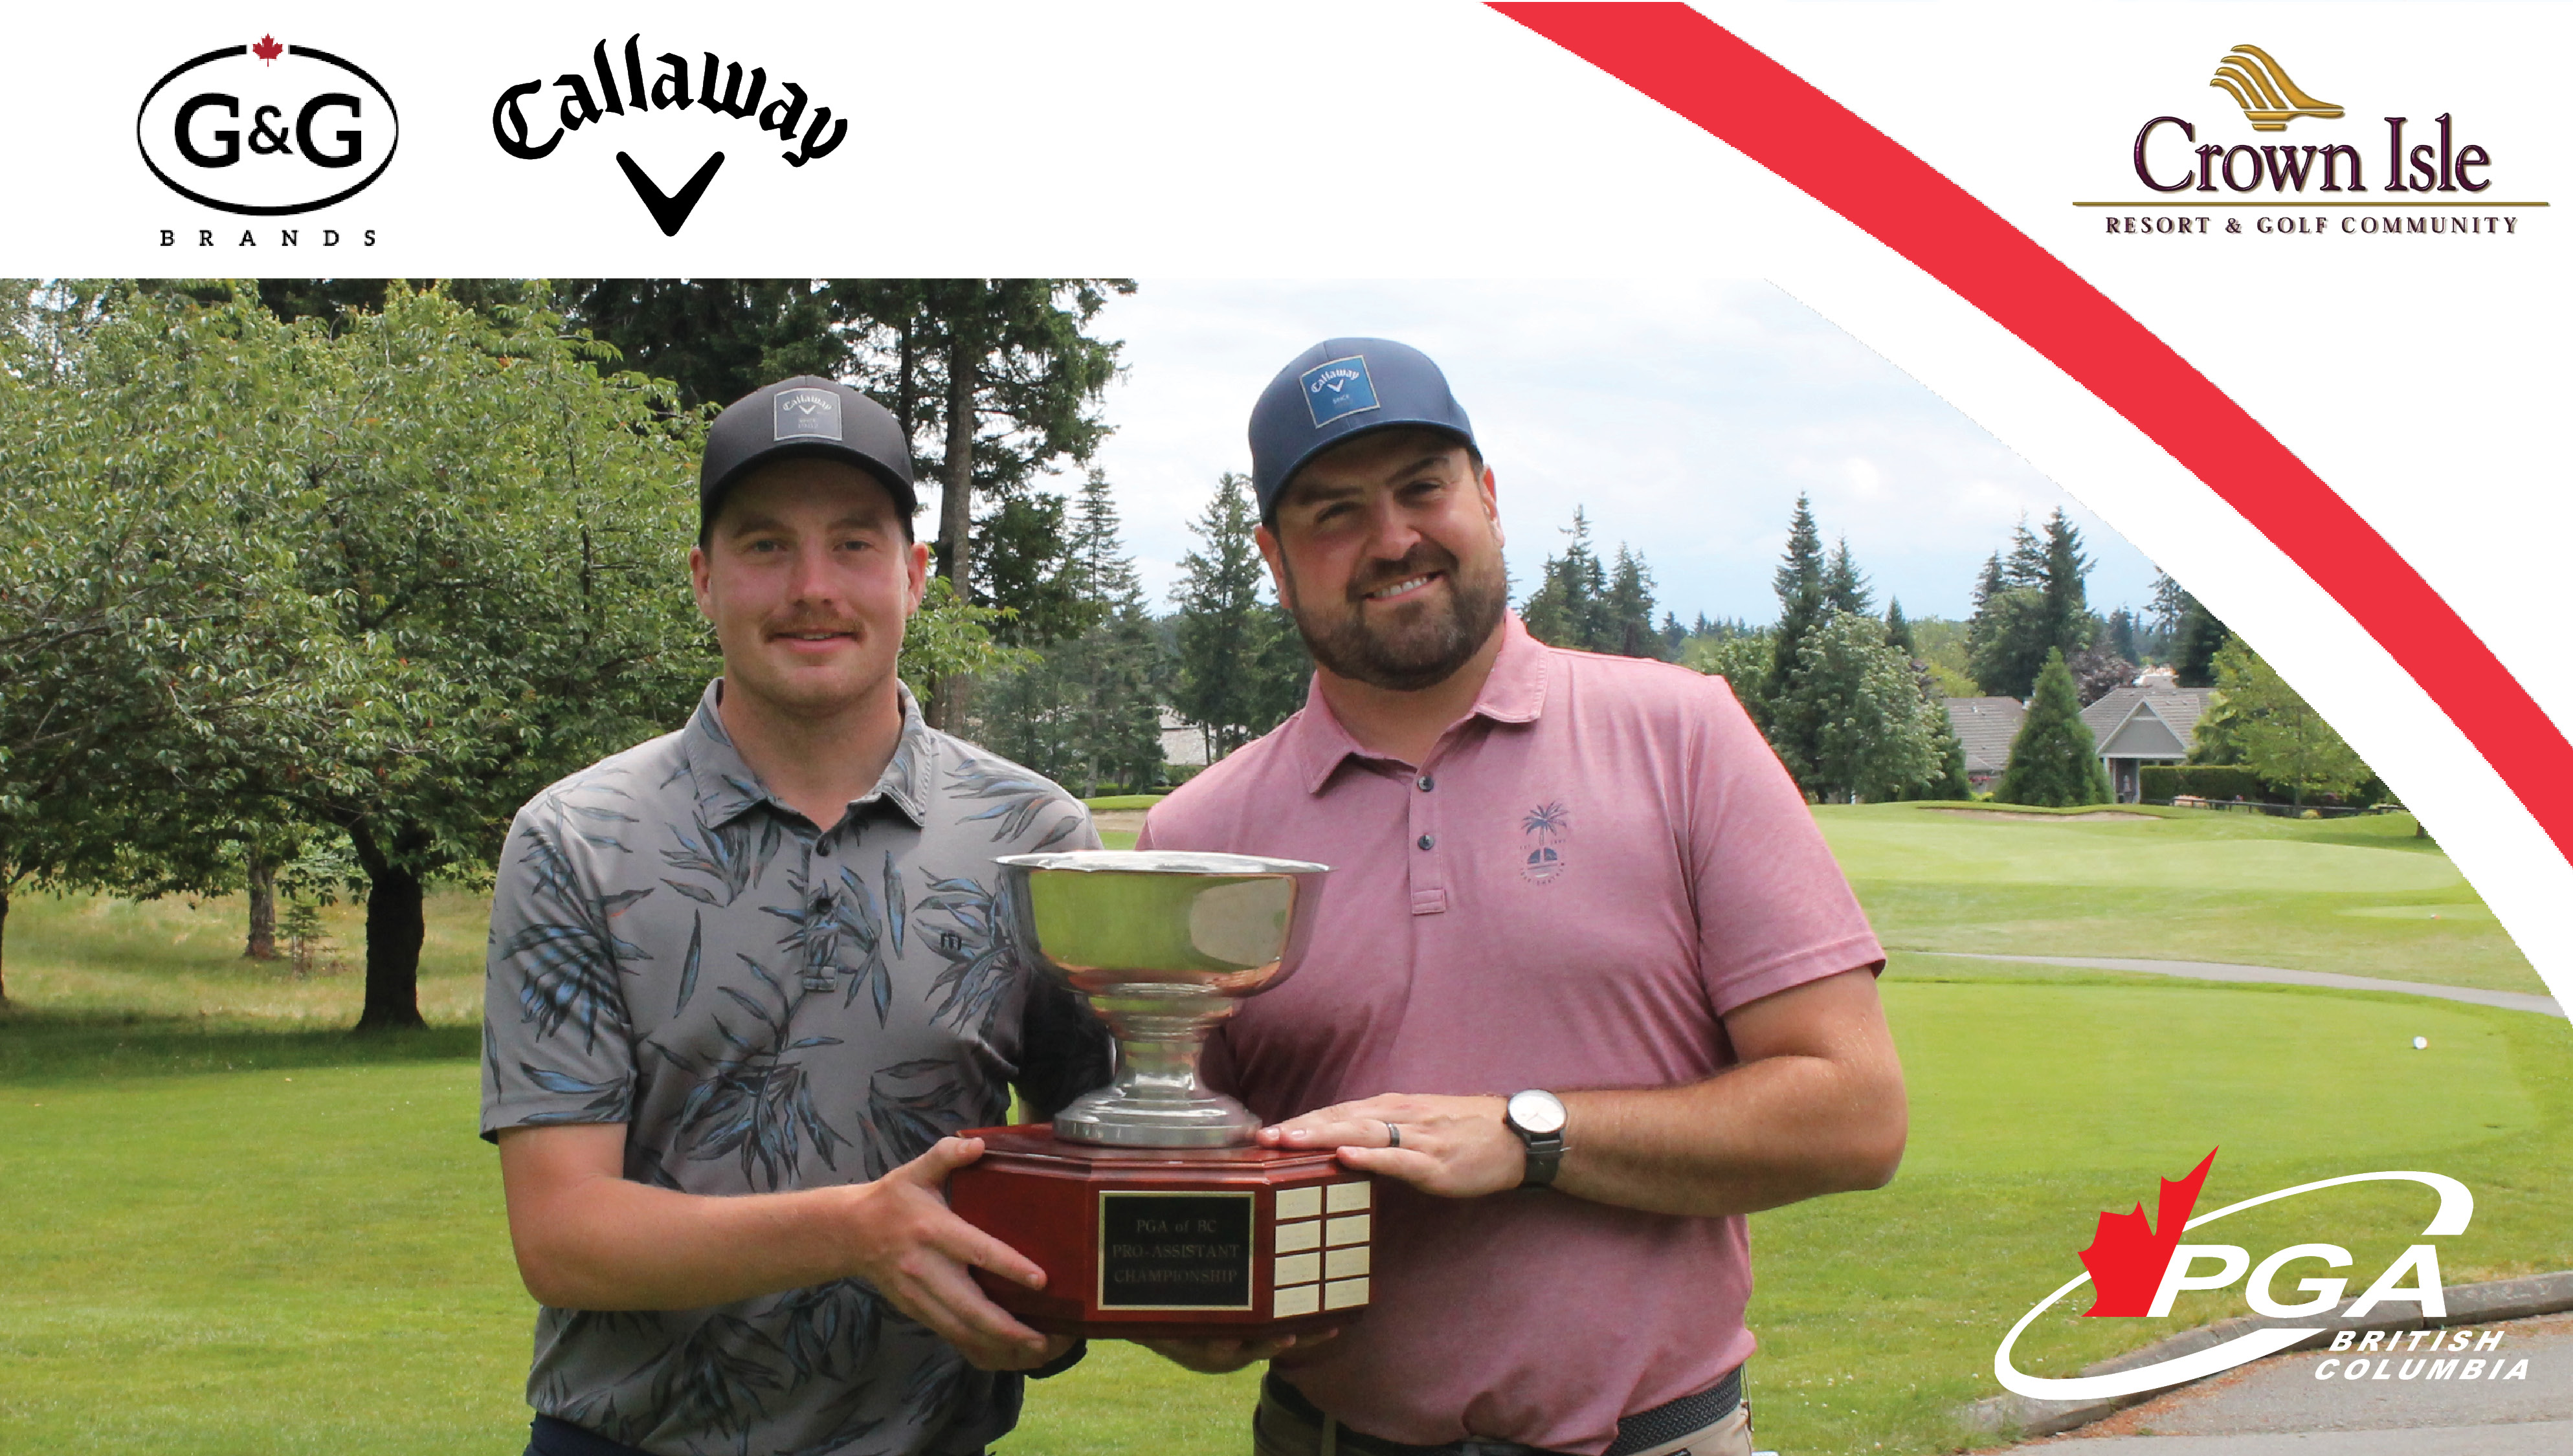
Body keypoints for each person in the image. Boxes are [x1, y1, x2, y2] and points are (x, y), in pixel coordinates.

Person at [1135, 339, 1908, 1456]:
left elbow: (1856, 1114)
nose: (1393, 538)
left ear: (1488, 498)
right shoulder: (1200, 835)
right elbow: (1180, 1182)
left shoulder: (1683, 735)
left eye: (1422, 487)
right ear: (1273, 555)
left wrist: (1526, 1133)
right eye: (1334, 512)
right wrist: (1190, 1295)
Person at [480, 376, 1111, 1456]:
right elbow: (564, 1237)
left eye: (855, 545)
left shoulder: (1035, 836)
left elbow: (1097, 1144)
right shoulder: (576, 839)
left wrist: (1056, 1304)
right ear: (702, 580)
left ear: (916, 576)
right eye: (766, 545)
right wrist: (853, 1231)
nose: (812, 587)